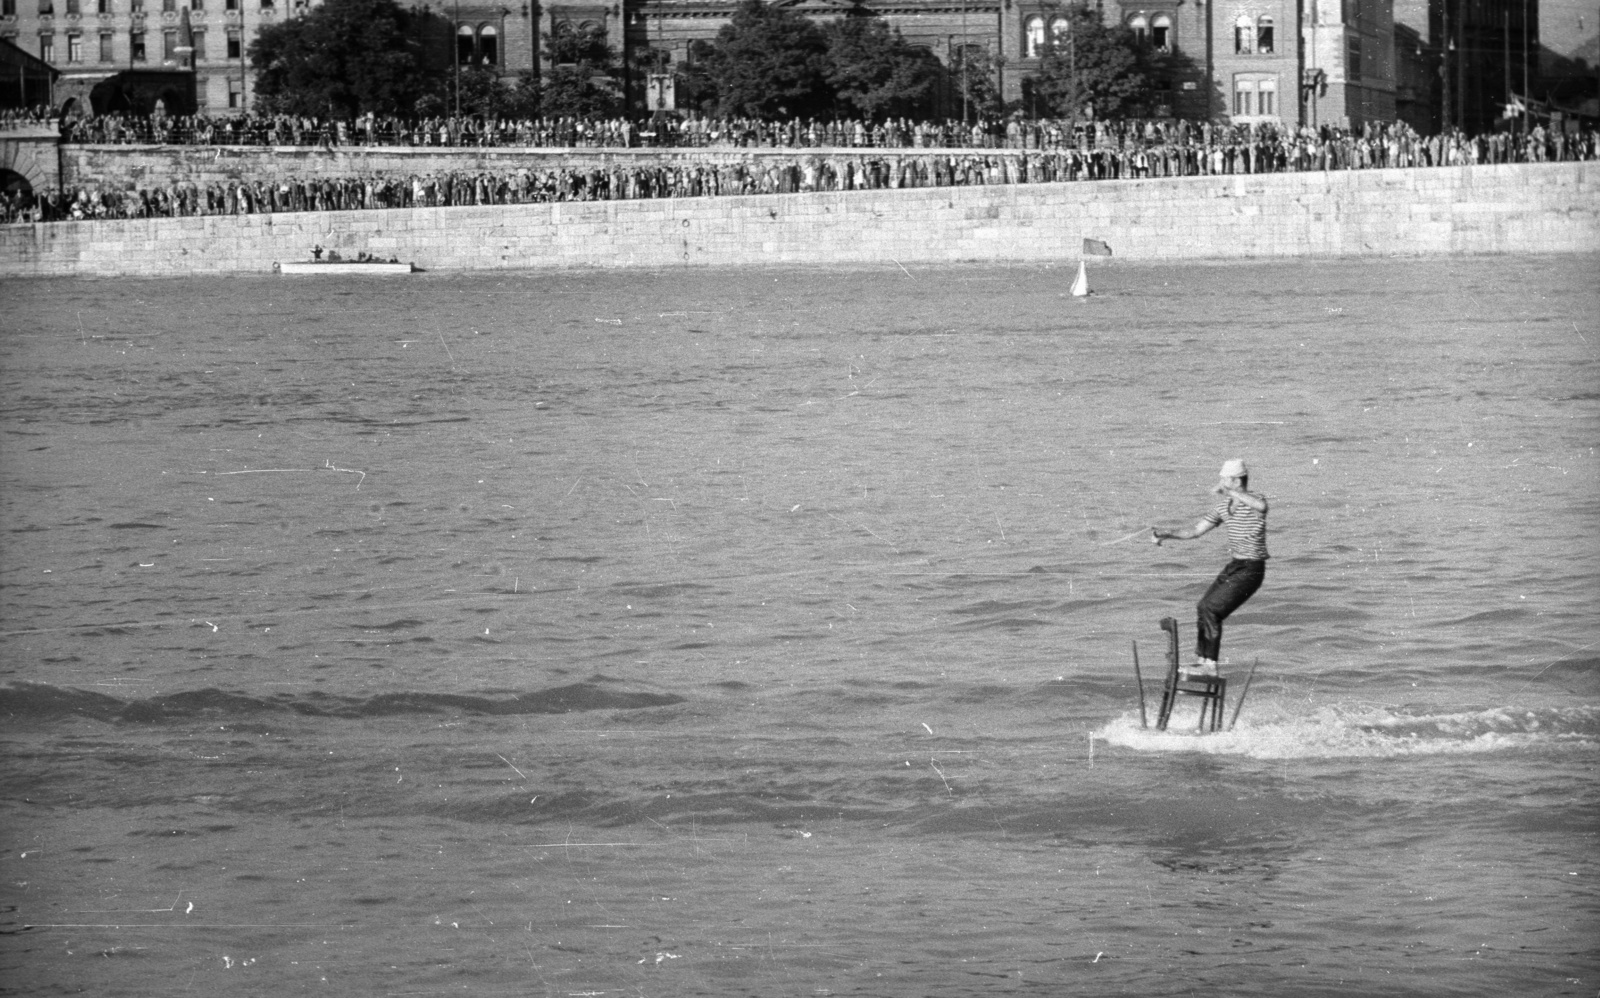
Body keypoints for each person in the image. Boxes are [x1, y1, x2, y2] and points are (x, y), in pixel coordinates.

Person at [1151, 458, 1268, 675]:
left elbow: (1262, 507)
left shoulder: (1255, 500)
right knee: (1203, 606)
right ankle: (1203, 660)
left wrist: (1230, 492)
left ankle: (1210, 666)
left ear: (1235, 480)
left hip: (1252, 568)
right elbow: (1196, 531)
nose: (1221, 482)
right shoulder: (1224, 507)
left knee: (1212, 609)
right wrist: (1166, 534)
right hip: (1235, 565)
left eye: (1224, 479)